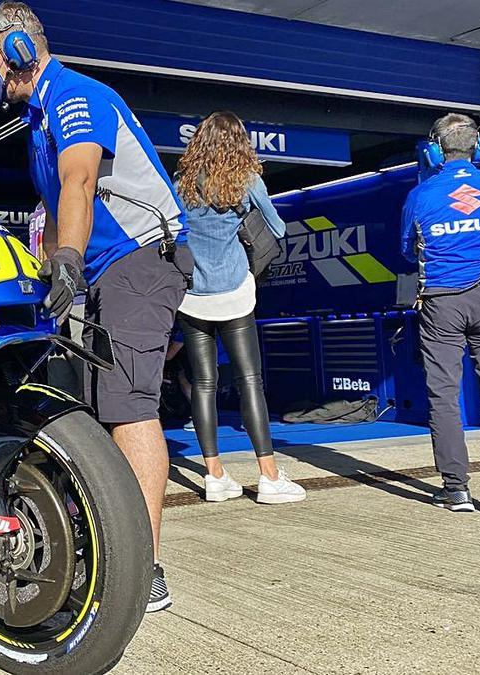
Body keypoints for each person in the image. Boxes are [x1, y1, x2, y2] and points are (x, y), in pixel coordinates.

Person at [0, 2, 192, 612]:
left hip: (138, 261)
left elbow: (80, 183)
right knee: (96, 409)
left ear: (19, 50)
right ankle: (110, 551)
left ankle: (142, 571)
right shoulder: (38, 116)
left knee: (129, 407)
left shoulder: (73, 96)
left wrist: (65, 258)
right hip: (103, 272)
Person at [400, 113, 480, 515]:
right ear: (479, 146)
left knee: (443, 393)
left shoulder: (421, 195)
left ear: (435, 149)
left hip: (440, 299)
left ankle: (455, 490)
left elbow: (407, 250)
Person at [173, 112, 306, 505]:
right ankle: (268, 477)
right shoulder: (246, 181)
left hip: (193, 295)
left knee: (202, 383)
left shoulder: (182, 185)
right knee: (250, 381)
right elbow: (277, 229)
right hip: (234, 292)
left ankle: (214, 476)